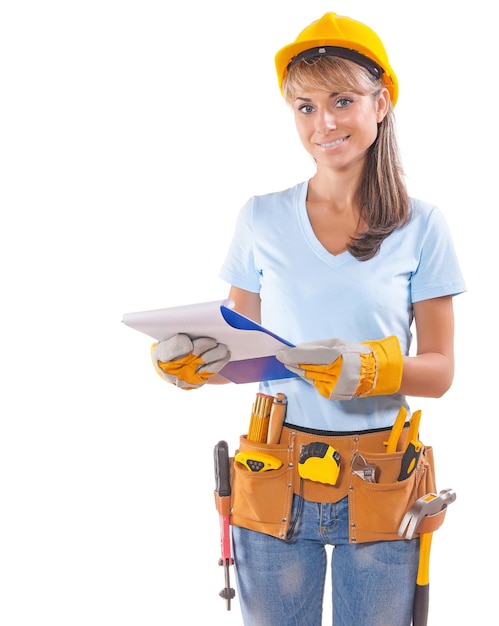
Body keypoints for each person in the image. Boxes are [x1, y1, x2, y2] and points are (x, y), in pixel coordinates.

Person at [151, 11, 466, 626]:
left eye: (342, 100)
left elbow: (440, 371)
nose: (323, 122)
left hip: (380, 486)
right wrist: (190, 364)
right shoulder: (260, 218)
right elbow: (241, 355)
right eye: (304, 106)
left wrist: (372, 367)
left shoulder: (423, 227)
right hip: (275, 476)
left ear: (382, 103)